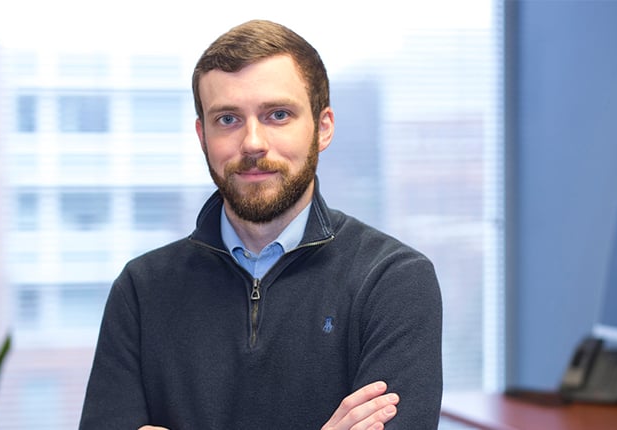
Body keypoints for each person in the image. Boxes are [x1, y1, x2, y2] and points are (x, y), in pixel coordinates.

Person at [79, 19, 442, 430]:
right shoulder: (142, 289)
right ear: (202, 136)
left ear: (323, 128)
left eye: (278, 115)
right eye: (228, 120)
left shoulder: (393, 281)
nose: (252, 142)